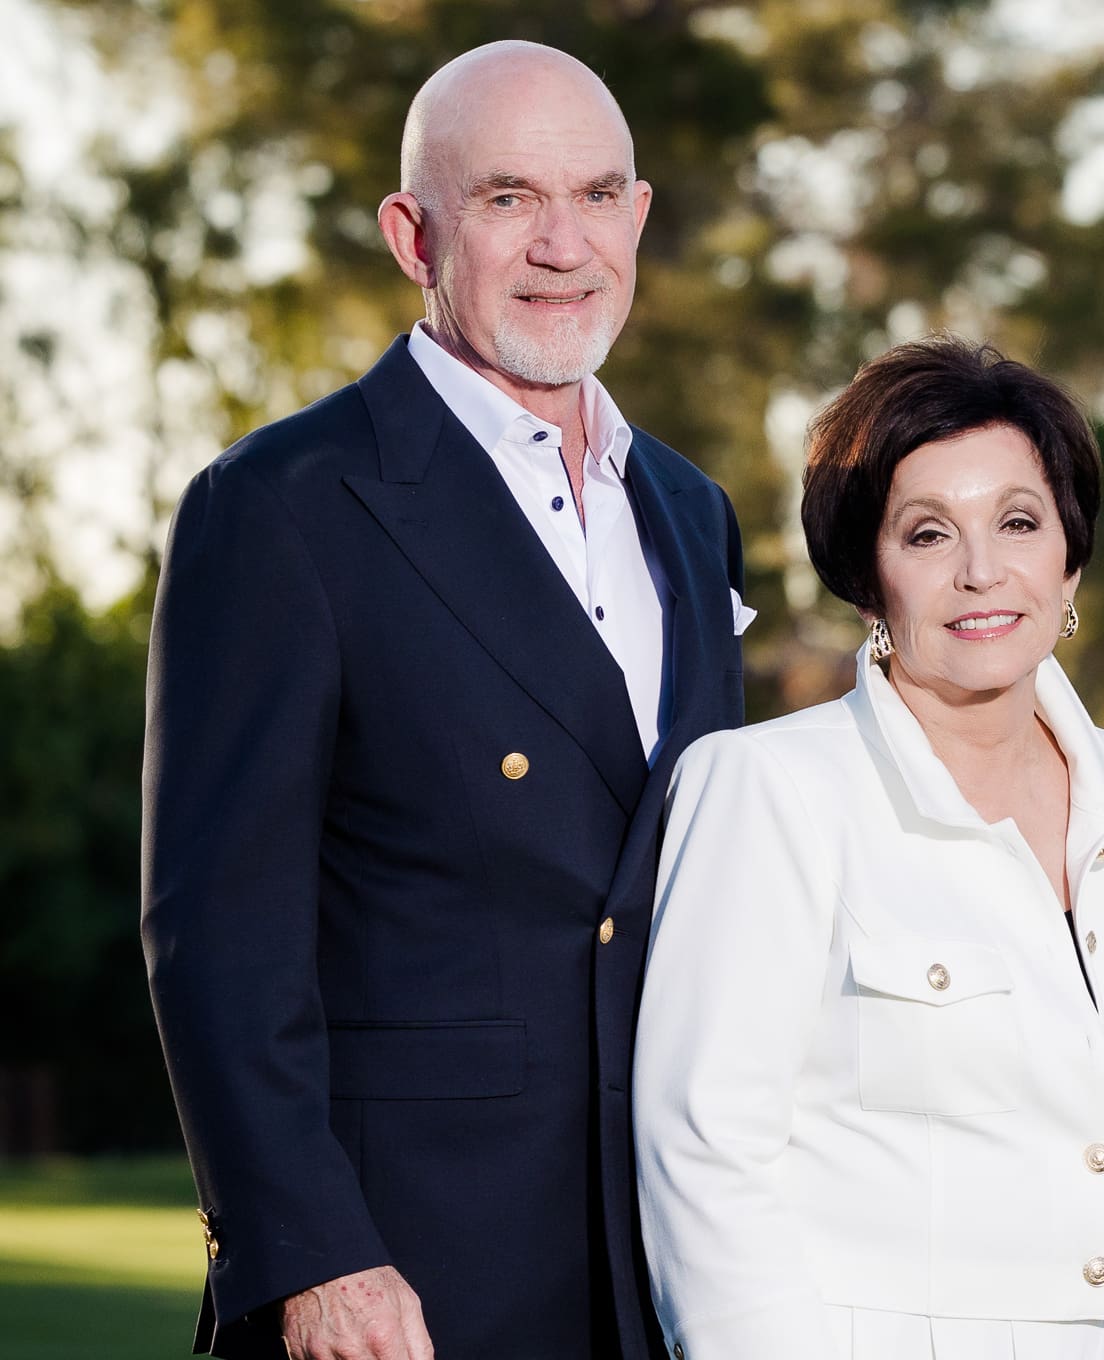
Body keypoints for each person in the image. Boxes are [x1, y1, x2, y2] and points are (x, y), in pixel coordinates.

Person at [140, 41, 750, 1360]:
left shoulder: (694, 512)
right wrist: (314, 1256)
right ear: (413, 234)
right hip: (400, 1278)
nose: (563, 245)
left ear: (640, 216)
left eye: (596, 196)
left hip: (665, 1268)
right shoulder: (281, 505)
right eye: (508, 198)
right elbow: (218, 931)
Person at [632, 336, 1104, 1360]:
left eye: (1019, 522)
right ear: (868, 577)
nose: (982, 571)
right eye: (927, 534)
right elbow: (707, 1157)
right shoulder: (770, 789)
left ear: (1070, 556)